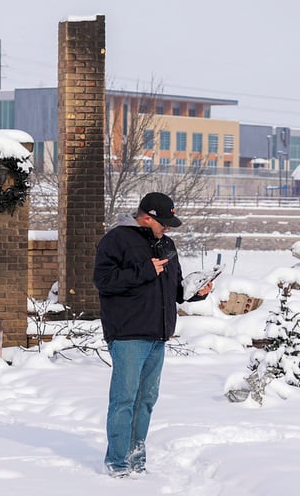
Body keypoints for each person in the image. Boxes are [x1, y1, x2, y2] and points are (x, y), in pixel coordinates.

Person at [93, 192, 213, 477]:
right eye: (164, 222)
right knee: (124, 399)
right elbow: (103, 281)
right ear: (147, 217)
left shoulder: (167, 244)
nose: (168, 228)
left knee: (146, 400)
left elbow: (174, 292)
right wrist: (145, 270)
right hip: (128, 334)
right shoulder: (117, 239)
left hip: (158, 335)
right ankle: (117, 461)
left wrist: (195, 292)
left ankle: (137, 458)